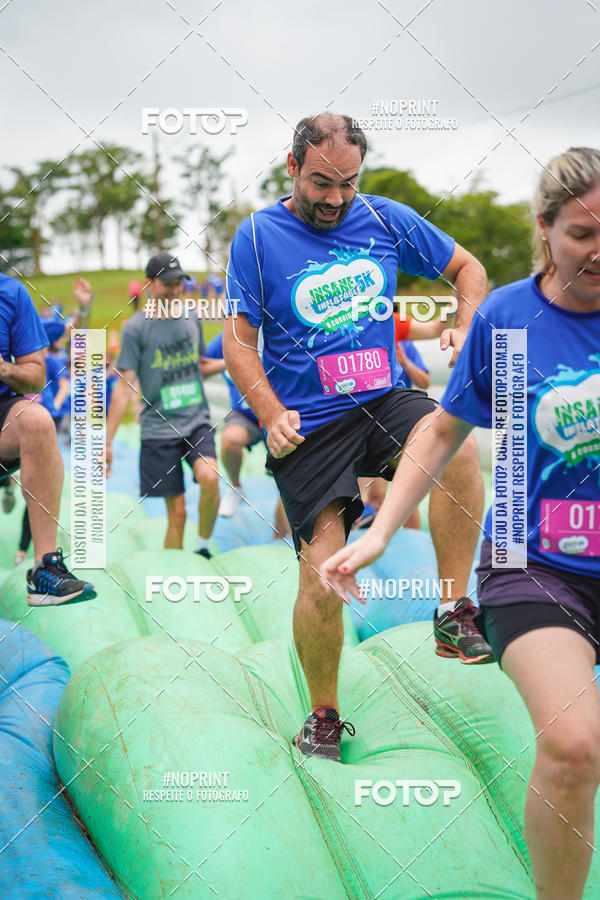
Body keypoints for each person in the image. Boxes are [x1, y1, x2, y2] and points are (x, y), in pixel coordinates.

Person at [321, 147, 600, 898]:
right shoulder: (508, 319)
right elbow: (445, 430)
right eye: (582, 233)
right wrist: (380, 532)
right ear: (545, 231)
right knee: (574, 745)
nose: (598, 250)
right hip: (533, 565)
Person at [223, 112, 492, 763]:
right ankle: (323, 714)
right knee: (321, 577)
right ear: (292, 167)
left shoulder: (386, 219)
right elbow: (238, 341)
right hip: (308, 430)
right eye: (321, 182)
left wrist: (466, 322)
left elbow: (469, 270)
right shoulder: (258, 237)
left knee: (454, 440)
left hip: (380, 400)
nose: (336, 198)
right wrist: (266, 408)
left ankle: (453, 611)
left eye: (348, 182)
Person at [106, 253, 219, 557]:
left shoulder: (192, 316)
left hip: (196, 419)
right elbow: (122, 385)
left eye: (178, 282)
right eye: (167, 283)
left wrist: (232, 364)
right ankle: (174, 575)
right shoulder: (135, 329)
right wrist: (107, 442)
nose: (174, 288)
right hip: (158, 428)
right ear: (150, 285)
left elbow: (199, 365)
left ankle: (203, 545)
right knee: (178, 513)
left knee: (211, 476)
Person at [0, 273, 96, 604]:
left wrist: (5, 369)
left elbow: (75, 339)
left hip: (12, 417)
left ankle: (42, 567)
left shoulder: (11, 293)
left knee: (39, 424)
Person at [202, 332, 291, 538]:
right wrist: (233, 361)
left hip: (276, 412)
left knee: (284, 474)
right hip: (245, 414)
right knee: (229, 439)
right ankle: (236, 486)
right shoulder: (229, 335)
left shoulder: (278, 331)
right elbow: (200, 365)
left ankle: (281, 538)